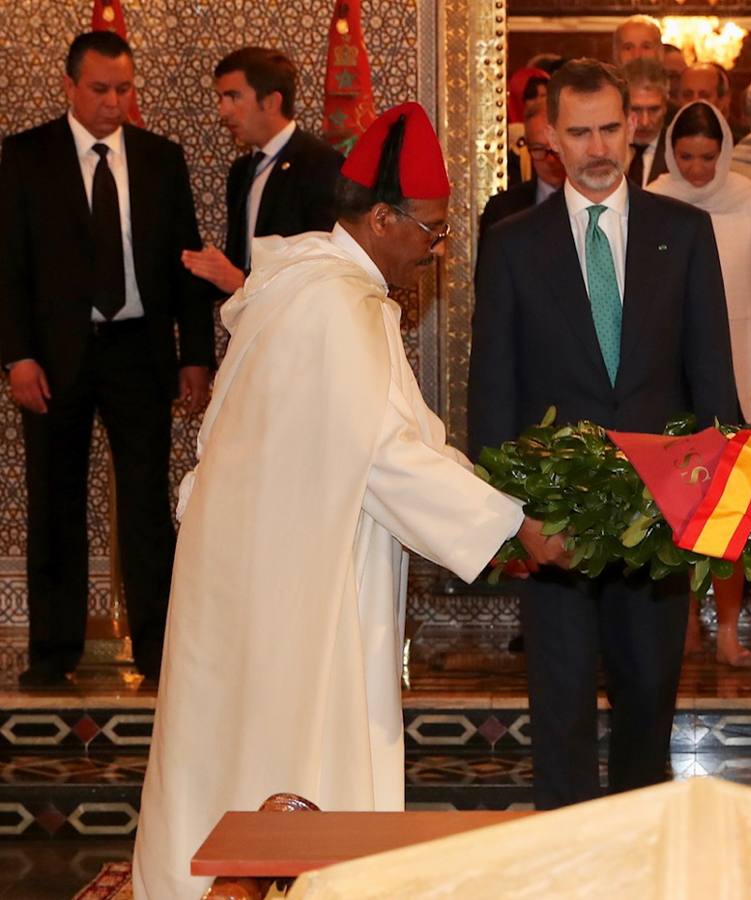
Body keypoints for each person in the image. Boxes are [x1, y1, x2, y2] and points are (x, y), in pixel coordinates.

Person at [132, 102, 567, 899]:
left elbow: (403, 437)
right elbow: (389, 459)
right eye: (431, 232)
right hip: (296, 586)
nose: (437, 253)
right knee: (291, 748)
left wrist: (497, 507)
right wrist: (516, 527)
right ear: (379, 219)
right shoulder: (336, 306)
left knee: (234, 745)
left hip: (259, 569)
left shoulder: (304, 288)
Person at [469, 60, 739, 809]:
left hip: (656, 521)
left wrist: (713, 505)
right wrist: (510, 521)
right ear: (550, 135)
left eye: (609, 129)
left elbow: (711, 378)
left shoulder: (683, 233)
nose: (596, 148)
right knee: (557, 710)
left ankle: (638, 863)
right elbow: (491, 391)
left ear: (632, 129)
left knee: (648, 703)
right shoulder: (512, 243)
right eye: (579, 131)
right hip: (552, 524)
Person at [0, 32, 214, 688]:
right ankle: (53, 651)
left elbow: (186, 265)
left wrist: (196, 358)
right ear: (70, 87)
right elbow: (8, 266)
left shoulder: (160, 159)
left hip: (138, 349)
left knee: (147, 504)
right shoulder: (26, 155)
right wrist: (17, 357)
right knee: (54, 500)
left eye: (124, 89)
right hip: (55, 356)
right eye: (100, 90)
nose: (114, 102)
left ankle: (156, 652)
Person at [649, 100, 751, 667]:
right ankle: (683, 628)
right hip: (667, 363)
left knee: (731, 508)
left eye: (708, 157)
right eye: (687, 157)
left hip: (737, 365)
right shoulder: (652, 194)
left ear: (726, 150)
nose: (699, 169)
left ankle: (728, 628)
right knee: (677, 503)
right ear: (671, 155)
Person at [183, 47, 343, 297]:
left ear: (270, 102)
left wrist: (241, 281)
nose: (222, 111)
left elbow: (325, 267)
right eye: (221, 98)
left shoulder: (320, 163)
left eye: (233, 97)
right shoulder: (241, 170)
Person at [479, 99, 565, 235]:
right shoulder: (502, 211)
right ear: (527, 148)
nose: (550, 160)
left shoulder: (594, 202)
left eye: (556, 150)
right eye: (538, 149)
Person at [620, 58, 669, 187]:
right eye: (635, 109)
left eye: (654, 109)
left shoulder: (679, 153)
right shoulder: (603, 150)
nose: (645, 122)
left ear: (665, 106)